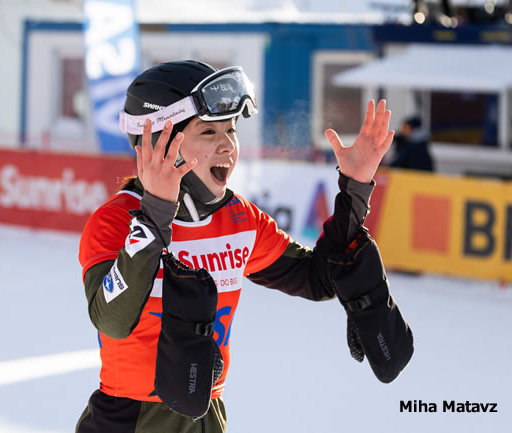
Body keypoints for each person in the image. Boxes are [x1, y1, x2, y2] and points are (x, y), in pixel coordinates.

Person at [76, 60, 413, 433]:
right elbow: (112, 320)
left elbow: (319, 279)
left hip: (206, 416)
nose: (228, 145)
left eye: (232, 129)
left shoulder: (238, 219)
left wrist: (354, 190)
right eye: (209, 131)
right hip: (129, 422)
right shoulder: (116, 221)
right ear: (161, 142)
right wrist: (155, 215)